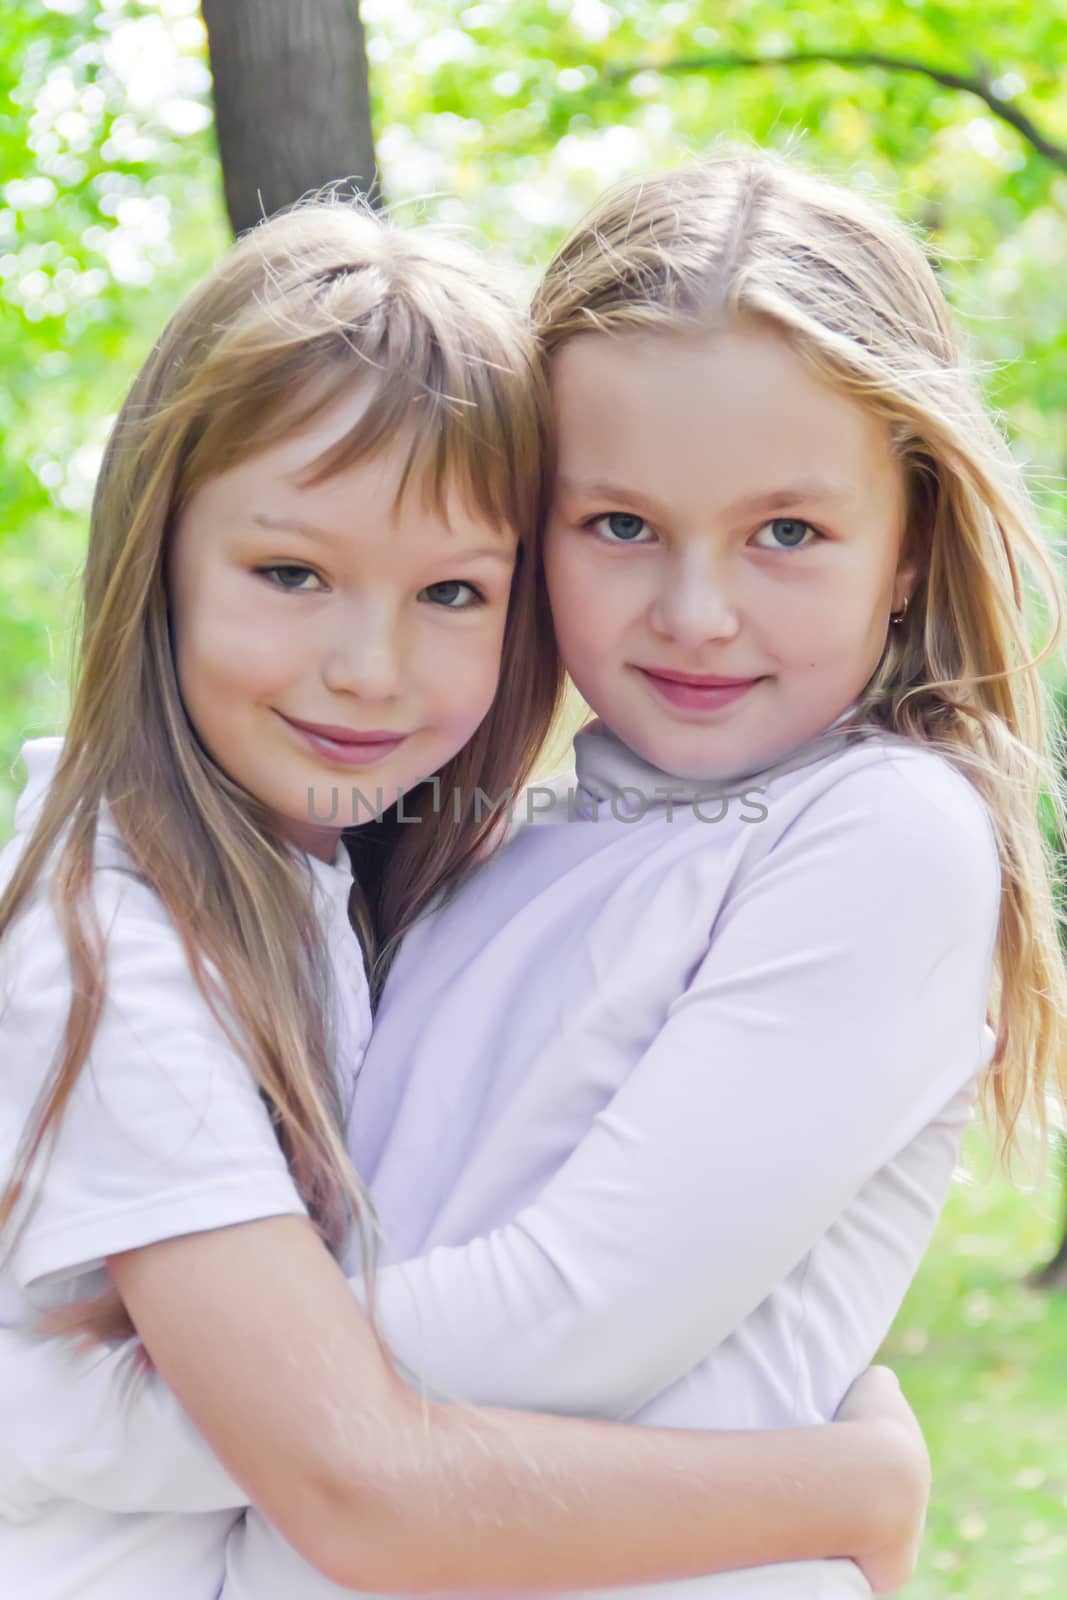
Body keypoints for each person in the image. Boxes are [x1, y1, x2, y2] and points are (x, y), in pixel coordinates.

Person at [0, 195, 930, 1600]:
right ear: (156, 561)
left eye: (450, 591)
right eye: (290, 572)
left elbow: (570, 1309)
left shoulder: (368, 880)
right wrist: (829, 1487)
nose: (368, 667)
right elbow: (355, 1459)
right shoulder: (119, 935)